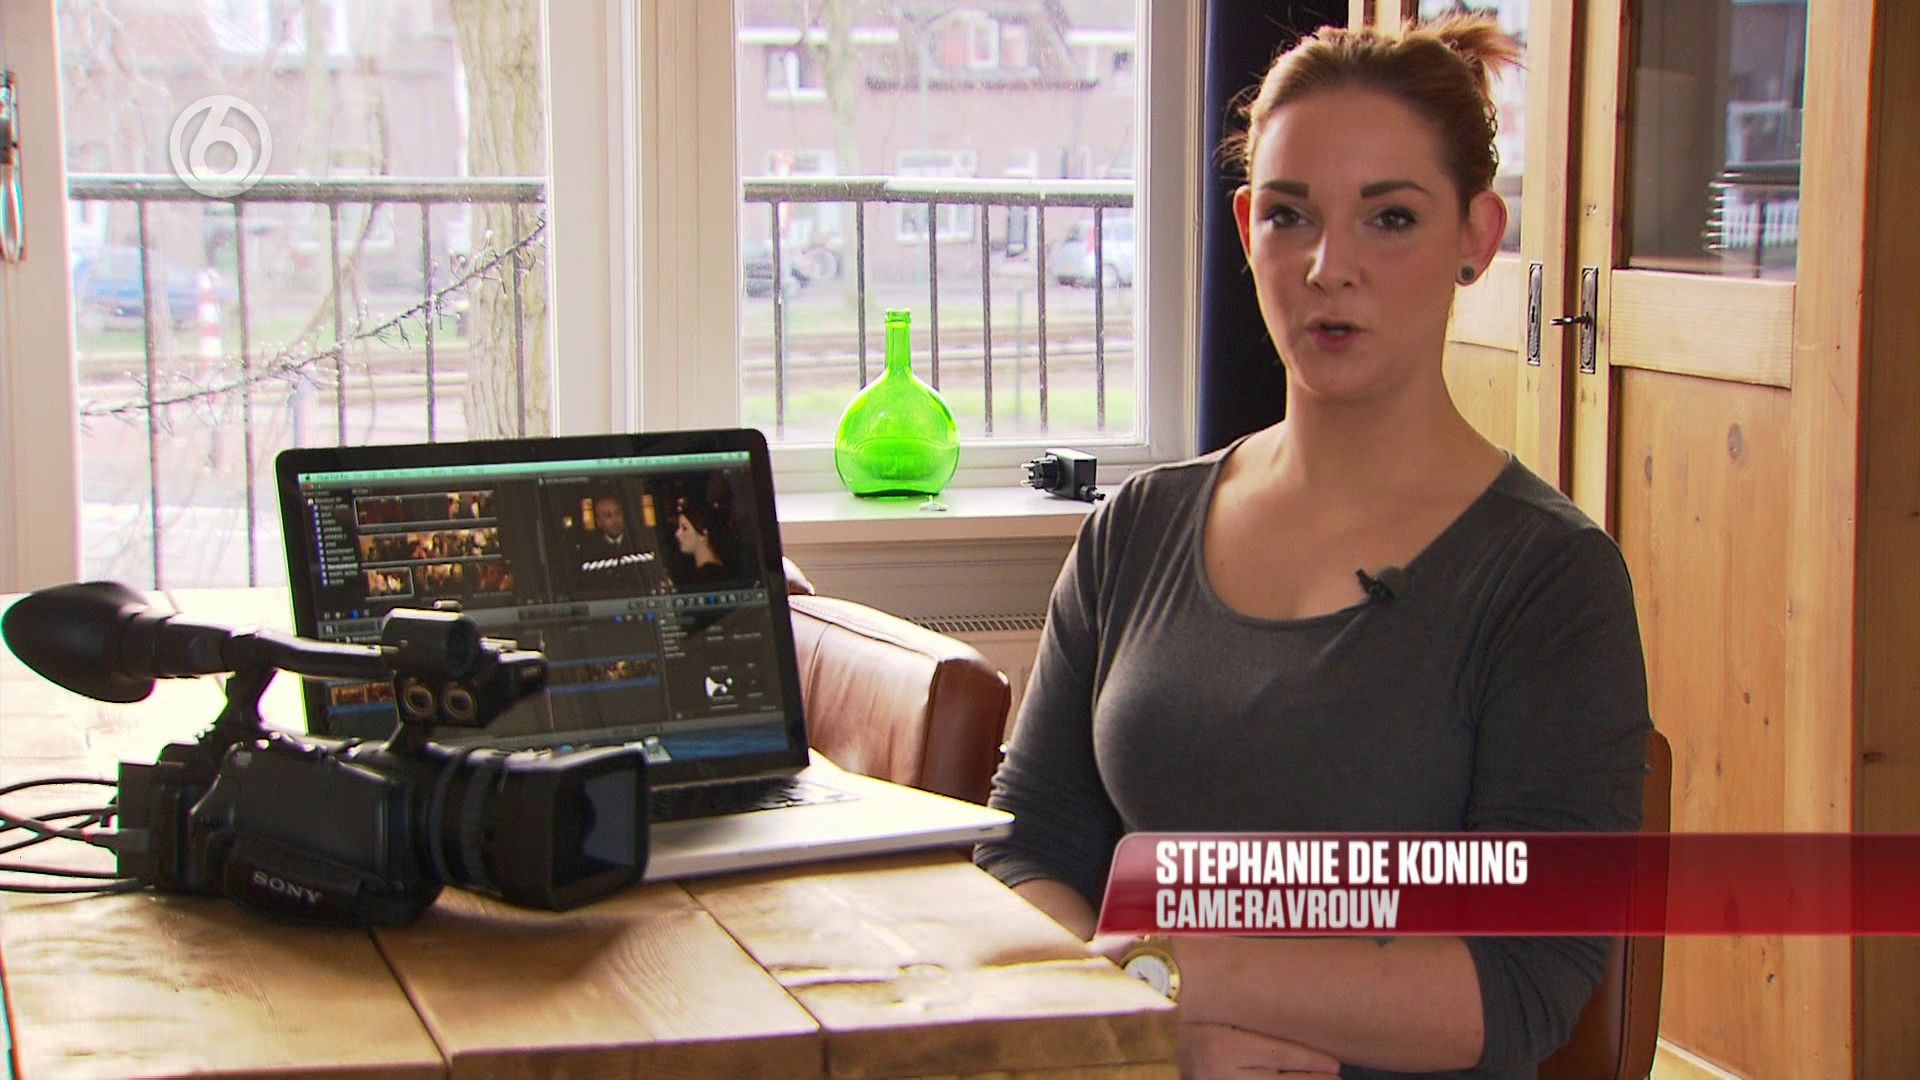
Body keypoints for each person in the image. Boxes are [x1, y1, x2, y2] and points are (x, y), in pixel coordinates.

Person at [974, 16, 1651, 1080]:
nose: (1331, 268)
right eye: (1291, 216)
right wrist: (1151, 1035)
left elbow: (1520, 981)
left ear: (1477, 237)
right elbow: (1024, 846)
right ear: (1248, 229)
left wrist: (1171, 977)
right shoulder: (1136, 529)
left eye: (1391, 218)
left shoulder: (1551, 580)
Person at [672, 500, 733, 587]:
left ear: (703, 533)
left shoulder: (708, 577)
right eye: (678, 527)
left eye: (685, 528)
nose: (677, 534)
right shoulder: (717, 571)